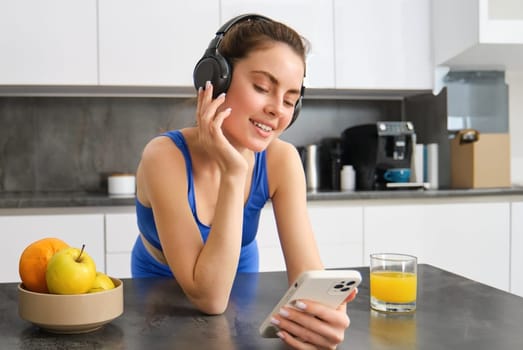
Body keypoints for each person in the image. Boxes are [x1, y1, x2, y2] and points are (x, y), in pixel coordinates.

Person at [131, 14, 356, 349]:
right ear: (216, 79)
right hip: (160, 298)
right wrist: (234, 173)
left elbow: (309, 279)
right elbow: (208, 299)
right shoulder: (163, 156)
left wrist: (324, 317)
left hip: (238, 282)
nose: (277, 110)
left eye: (291, 101)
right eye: (263, 88)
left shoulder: (282, 161)